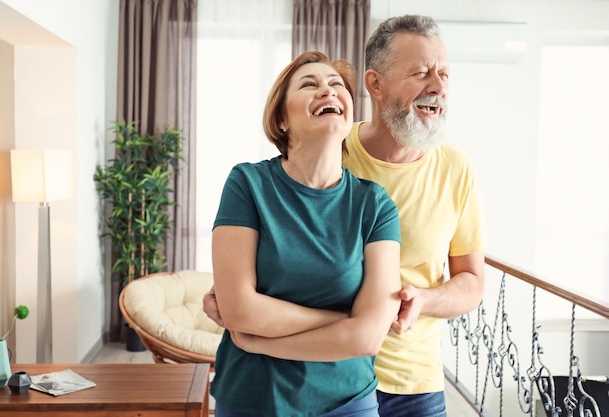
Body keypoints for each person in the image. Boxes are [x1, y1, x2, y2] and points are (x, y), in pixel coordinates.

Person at [209, 50, 402, 417]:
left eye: (336, 85)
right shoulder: (248, 184)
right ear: (282, 119)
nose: (328, 91)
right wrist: (346, 319)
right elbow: (239, 311)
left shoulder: (375, 205)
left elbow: (368, 337)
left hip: (348, 403)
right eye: (310, 84)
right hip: (253, 399)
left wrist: (261, 342)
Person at [341, 15, 487, 417]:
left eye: (443, 73)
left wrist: (424, 299)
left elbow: (471, 282)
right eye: (421, 72)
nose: (438, 87)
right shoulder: (332, 154)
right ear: (375, 85)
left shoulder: (457, 169)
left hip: (415, 386)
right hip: (334, 376)